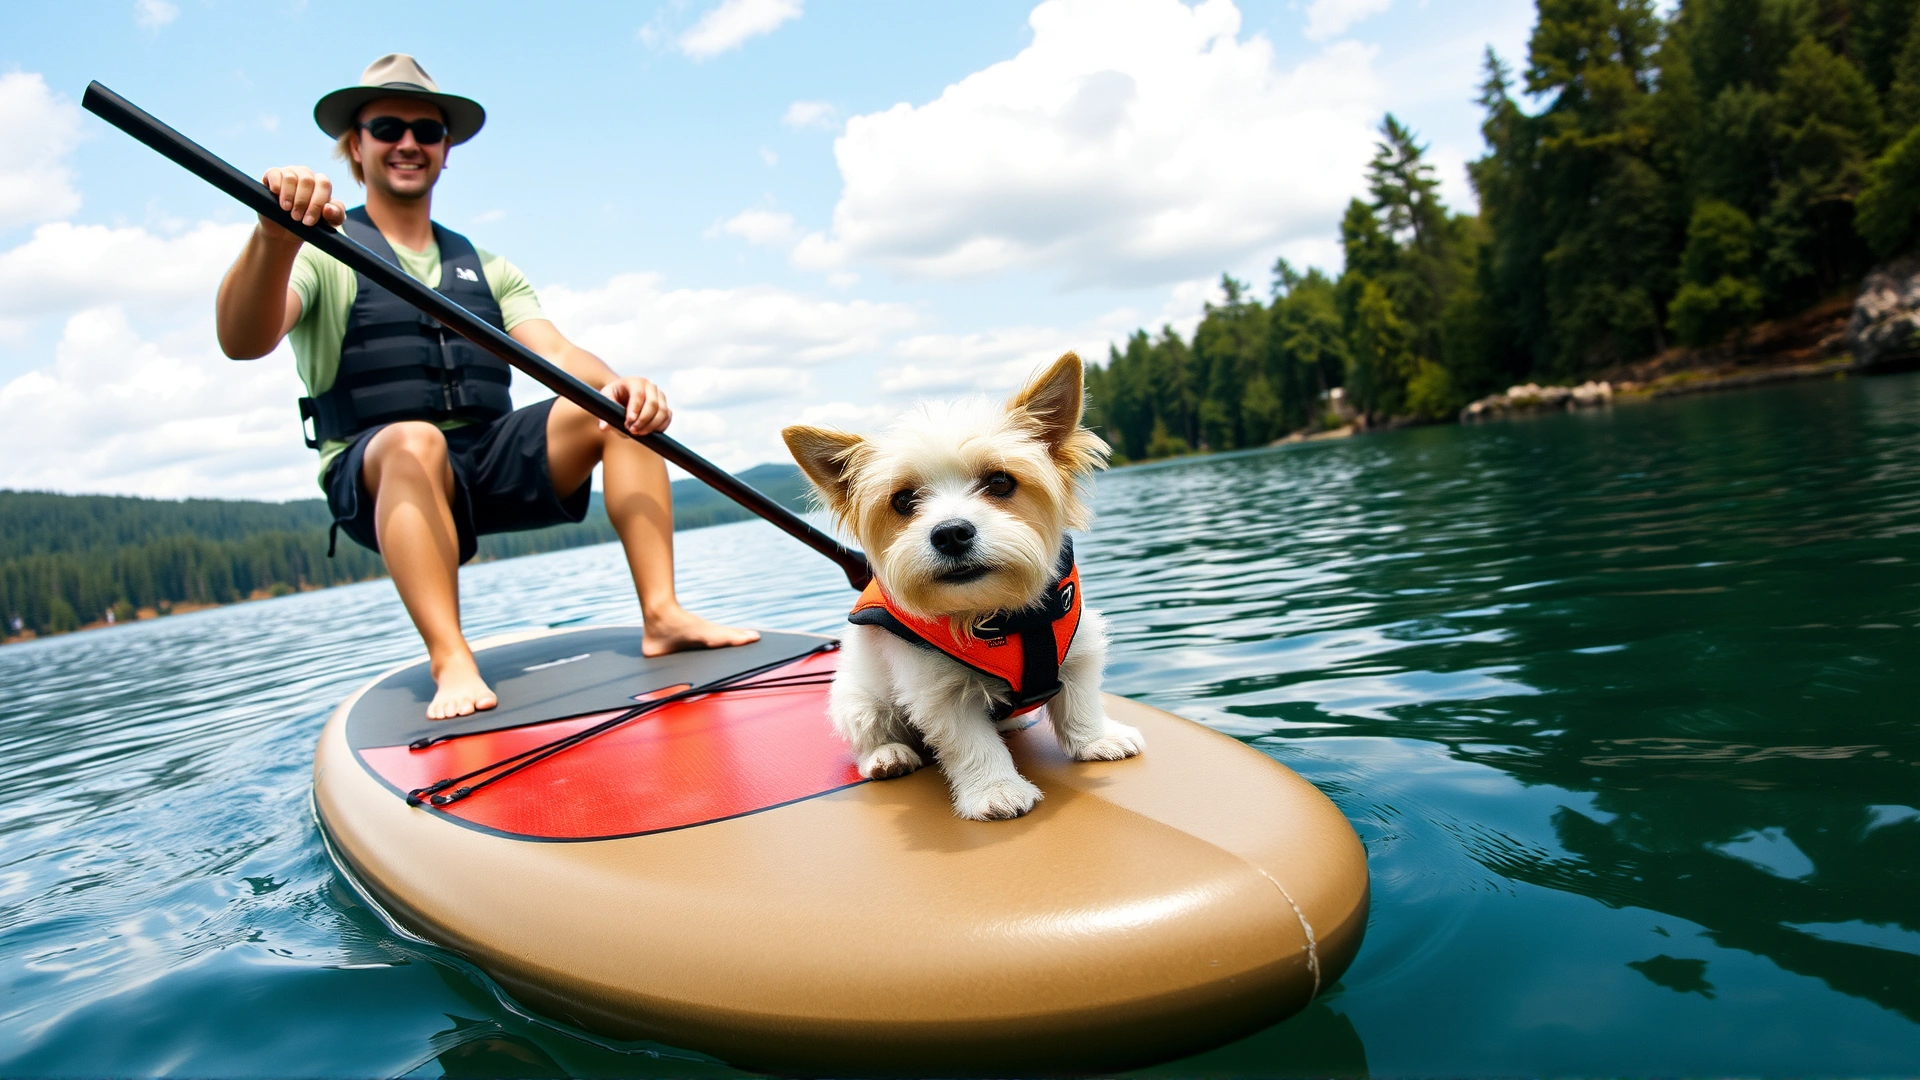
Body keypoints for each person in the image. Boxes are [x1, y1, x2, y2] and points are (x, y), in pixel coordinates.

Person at [216, 54, 757, 720]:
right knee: (414, 441)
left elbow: (555, 351)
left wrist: (622, 385)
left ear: (446, 151)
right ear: (355, 147)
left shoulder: (487, 267)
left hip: (488, 462)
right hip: (380, 476)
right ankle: (450, 658)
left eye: (427, 130)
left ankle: (663, 614)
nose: (408, 143)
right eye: (387, 127)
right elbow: (243, 341)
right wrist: (274, 238)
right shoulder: (325, 252)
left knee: (614, 412)